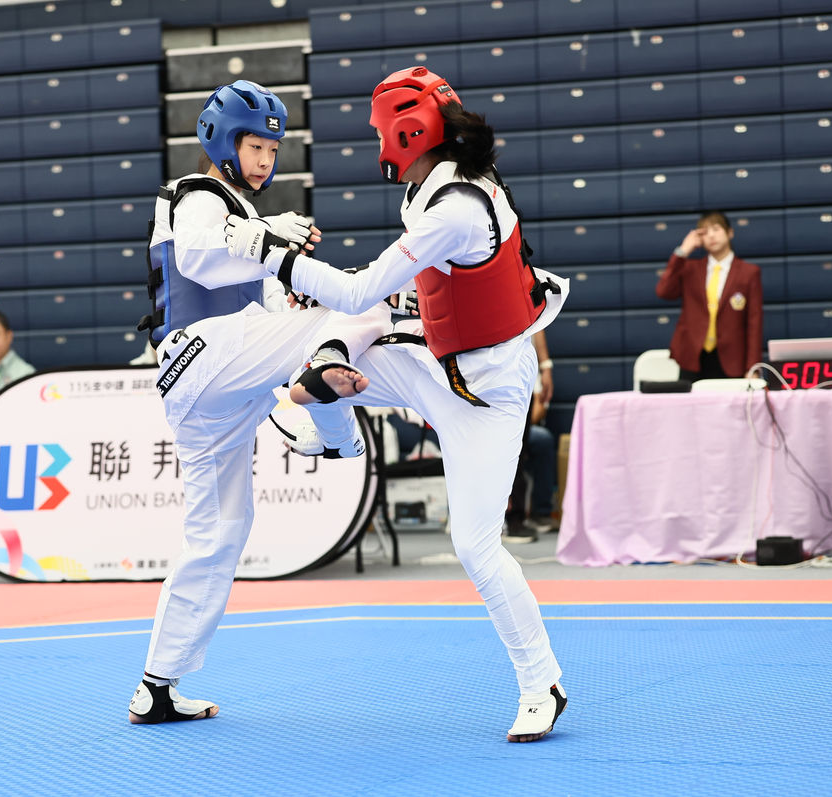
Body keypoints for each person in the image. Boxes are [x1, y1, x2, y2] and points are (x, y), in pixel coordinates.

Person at [226, 66, 571, 742]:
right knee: (315, 361)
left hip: (488, 390)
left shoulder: (455, 209)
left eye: (379, 132)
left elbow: (363, 291)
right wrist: (323, 296)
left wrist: (273, 257)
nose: (376, 144)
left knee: (474, 545)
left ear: (405, 134)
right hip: (433, 360)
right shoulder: (429, 187)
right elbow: (401, 292)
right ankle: (338, 434)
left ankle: (543, 683)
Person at [128, 79, 391, 726]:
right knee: (353, 312)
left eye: (272, 150)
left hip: (209, 386)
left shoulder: (241, 217)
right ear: (221, 142)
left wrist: (285, 280)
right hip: (204, 352)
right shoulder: (195, 195)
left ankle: (156, 684)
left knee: (220, 532)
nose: (265, 161)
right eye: (254, 147)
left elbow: (264, 303)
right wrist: (268, 235)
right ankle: (334, 433)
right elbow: (200, 260)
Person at [655, 210, 763, 381]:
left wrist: (752, 367)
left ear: (730, 233)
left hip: (732, 359)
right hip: (692, 357)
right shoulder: (690, 269)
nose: (711, 236)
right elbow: (663, 291)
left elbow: (754, 323)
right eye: (705, 232)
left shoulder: (748, 273)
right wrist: (683, 251)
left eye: (716, 229)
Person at [504, 331, 556, 543]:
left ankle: (516, 520)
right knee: (505, 455)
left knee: (517, 454)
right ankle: (508, 520)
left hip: (519, 382)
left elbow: (537, 325)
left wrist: (546, 367)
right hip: (492, 379)